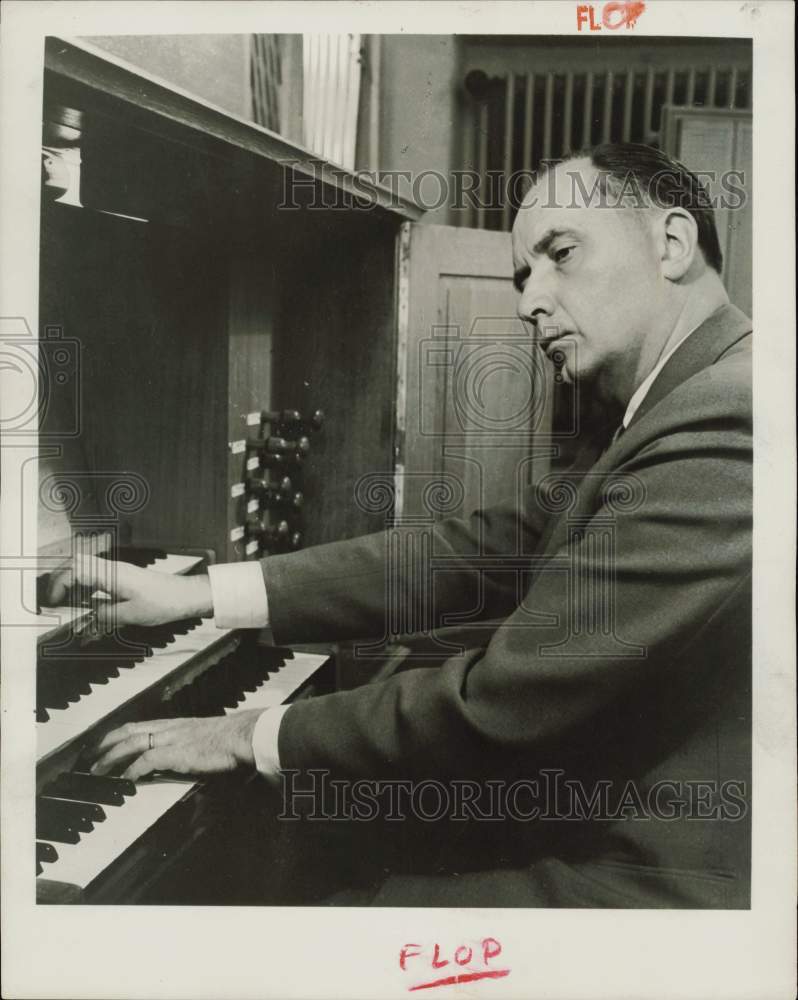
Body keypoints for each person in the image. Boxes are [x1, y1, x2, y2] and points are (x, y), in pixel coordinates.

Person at [47, 143, 752, 907]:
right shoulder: (676, 400)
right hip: (612, 800)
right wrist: (196, 595)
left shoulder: (723, 419)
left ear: (671, 243)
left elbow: (499, 704)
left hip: (669, 878)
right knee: (297, 845)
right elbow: (485, 547)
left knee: (301, 928)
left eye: (561, 253)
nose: (529, 301)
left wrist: (242, 734)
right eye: (522, 274)